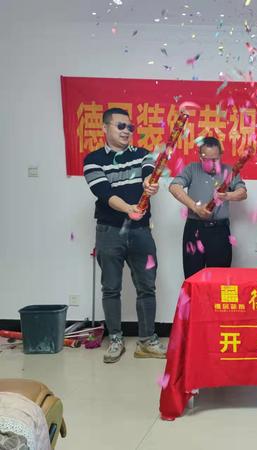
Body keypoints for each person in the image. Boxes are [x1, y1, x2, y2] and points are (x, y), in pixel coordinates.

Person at [83, 107, 165, 364]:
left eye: (130, 127)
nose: (127, 131)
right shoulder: (93, 160)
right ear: (105, 128)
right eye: (121, 126)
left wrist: (149, 184)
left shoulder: (142, 154)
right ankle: (116, 339)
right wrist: (129, 209)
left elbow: (149, 172)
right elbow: (104, 193)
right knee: (111, 288)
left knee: (147, 286)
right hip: (109, 231)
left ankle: (147, 340)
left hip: (141, 232)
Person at [169, 136, 247, 279]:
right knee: (192, 278)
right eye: (206, 160)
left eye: (215, 160)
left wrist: (227, 195)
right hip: (194, 229)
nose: (212, 164)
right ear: (200, 156)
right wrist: (195, 207)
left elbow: (242, 193)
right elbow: (174, 187)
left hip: (220, 231)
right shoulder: (192, 169)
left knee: (219, 279)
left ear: (221, 155)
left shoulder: (229, 170)